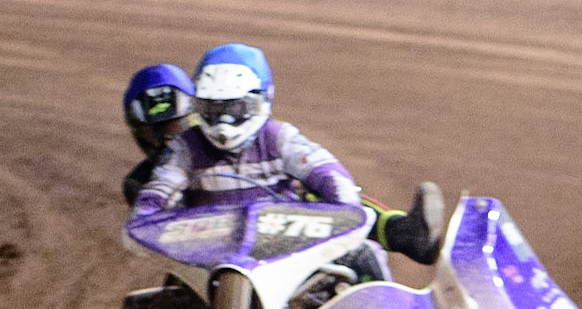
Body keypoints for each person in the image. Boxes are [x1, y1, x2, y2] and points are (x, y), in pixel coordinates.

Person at [129, 43, 445, 265]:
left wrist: (342, 202)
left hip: (278, 229)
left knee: (314, 198)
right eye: (153, 134)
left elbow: (322, 171)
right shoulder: (157, 173)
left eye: (176, 126)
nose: (165, 142)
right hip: (211, 248)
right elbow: (157, 218)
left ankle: (402, 234)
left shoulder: (273, 138)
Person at [121, 64, 196, 206]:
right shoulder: (140, 183)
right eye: (152, 133)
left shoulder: (228, 159)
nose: (166, 143)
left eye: (174, 130)